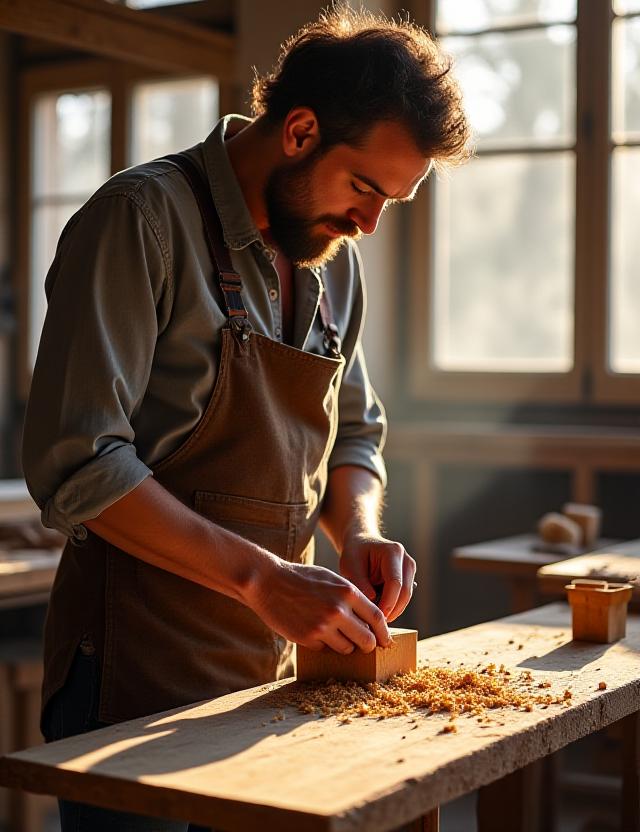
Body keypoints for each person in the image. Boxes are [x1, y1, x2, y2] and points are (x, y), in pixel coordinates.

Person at [22, 6, 470, 830]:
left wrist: (359, 530)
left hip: (268, 675)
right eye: (364, 187)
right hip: (132, 679)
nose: (368, 223)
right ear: (300, 130)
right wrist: (263, 577)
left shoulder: (333, 262)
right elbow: (78, 462)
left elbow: (356, 430)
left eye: (390, 204)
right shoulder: (143, 220)